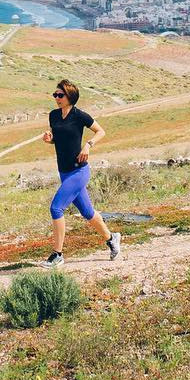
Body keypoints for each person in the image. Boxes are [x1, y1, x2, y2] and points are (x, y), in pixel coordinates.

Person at [40, 79, 121, 266]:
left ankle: (58, 254)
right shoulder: (53, 115)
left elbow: (101, 131)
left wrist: (88, 145)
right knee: (88, 212)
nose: (56, 98)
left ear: (70, 97)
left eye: (60, 95)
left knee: (56, 208)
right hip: (64, 172)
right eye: (55, 95)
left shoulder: (80, 116)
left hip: (79, 171)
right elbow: (58, 139)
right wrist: (49, 139)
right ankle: (112, 239)